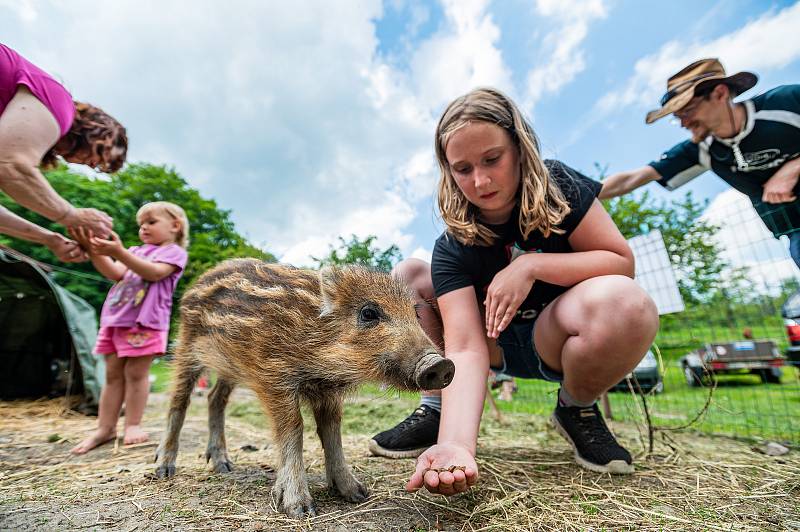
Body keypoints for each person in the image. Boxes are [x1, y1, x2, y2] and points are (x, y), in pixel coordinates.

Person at [370, 88, 659, 495]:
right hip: (493, 345)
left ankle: (576, 407)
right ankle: (438, 411)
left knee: (627, 302)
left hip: (556, 337)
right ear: (447, 171)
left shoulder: (562, 187)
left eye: (492, 159)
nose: (481, 180)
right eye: (463, 168)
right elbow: (466, 347)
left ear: (520, 149)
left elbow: (620, 262)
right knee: (406, 277)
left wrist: (532, 264)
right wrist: (456, 445)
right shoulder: (453, 245)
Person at [599, 58, 800, 267]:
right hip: (795, 228)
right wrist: (572, 197)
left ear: (720, 94)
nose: (683, 123)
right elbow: (631, 179)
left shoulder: (787, 103)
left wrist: (793, 168)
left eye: (687, 111)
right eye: (677, 117)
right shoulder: (703, 150)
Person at [70, 201, 189, 454]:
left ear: (175, 226)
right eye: (141, 224)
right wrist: (94, 251)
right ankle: (105, 428)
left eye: (151, 222)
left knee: (136, 374)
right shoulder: (137, 250)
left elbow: (155, 273)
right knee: (112, 376)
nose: (143, 228)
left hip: (144, 323)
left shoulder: (173, 253)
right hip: (116, 320)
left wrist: (120, 251)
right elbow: (115, 273)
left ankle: (133, 425)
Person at [0, 43, 127, 261]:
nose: (91, 165)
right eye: (101, 159)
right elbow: (10, 166)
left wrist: (49, 239)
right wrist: (71, 215)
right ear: (101, 133)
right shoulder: (60, 102)